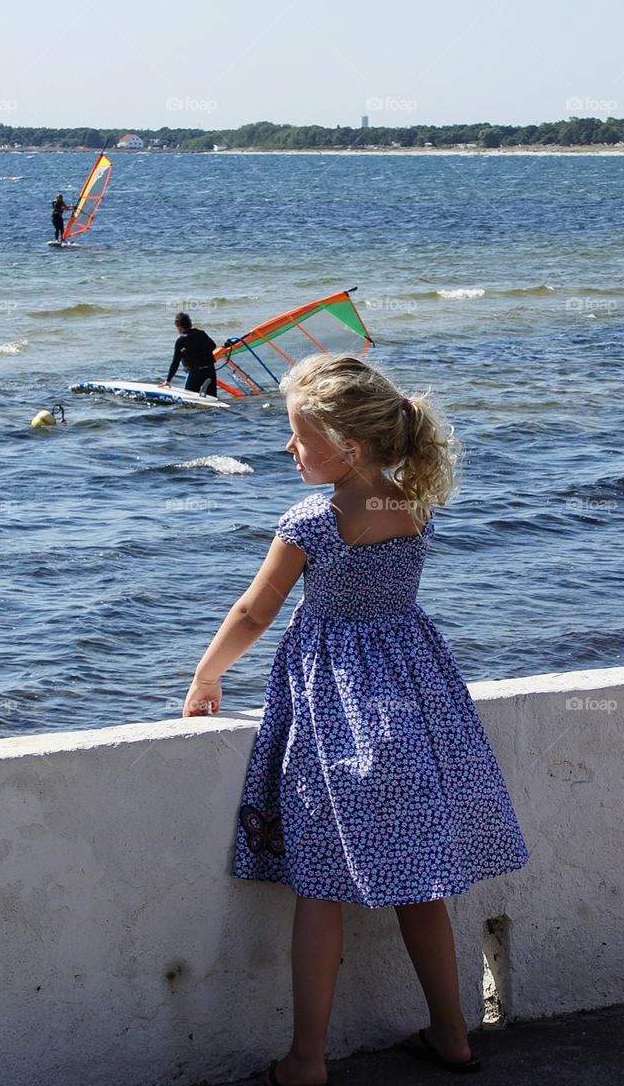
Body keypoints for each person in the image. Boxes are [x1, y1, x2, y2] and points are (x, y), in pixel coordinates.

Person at [183, 354, 530, 1085]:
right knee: (422, 885)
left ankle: (307, 1058)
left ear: (351, 446)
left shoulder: (314, 519)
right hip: (420, 704)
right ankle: (453, 1035)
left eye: (299, 437)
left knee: (319, 887)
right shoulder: (411, 501)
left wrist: (207, 675)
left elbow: (254, 612)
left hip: (338, 711)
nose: (287, 449)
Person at [161, 312, 217, 396]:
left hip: (195, 374)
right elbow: (213, 346)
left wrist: (168, 380)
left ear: (179, 327)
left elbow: (175, 362)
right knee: (212, 399)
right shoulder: (201, 333)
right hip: (210, 371)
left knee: (190, 401)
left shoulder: (181, 341)